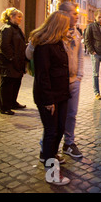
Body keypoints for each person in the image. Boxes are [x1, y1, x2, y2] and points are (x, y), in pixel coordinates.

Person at [29, 11, 71, 186]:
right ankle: (52, 172)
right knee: (51, 132)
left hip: (61, 93)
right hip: (49, 96)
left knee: (60, 128)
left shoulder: (58, 42)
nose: (69, 29)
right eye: (66, 25)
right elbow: (42, 75)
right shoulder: (44, 45)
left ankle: (50, 155)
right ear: (59, 26)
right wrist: (48, 100)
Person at [58, 2, 84, 158]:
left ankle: (68, 143)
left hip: (74, 81)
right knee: (55, 117)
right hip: (59, 83)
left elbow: (80, 55)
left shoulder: (76, 34)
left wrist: (79, 76)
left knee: (72, 114)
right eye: (74, 13)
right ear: (64, 14)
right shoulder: (55, 33)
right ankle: (48, 148)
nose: (77, 15)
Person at [0, 8, 27, 115]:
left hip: (17, 61)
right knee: (7, 83)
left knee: (16, 81)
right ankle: (4, 107)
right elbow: (4, 46)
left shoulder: (17, 28)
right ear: (11, 17)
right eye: (18, 16)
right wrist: (12, 58)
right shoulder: (6, 29)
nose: (20, 19)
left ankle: (12, 102)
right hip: (7, 62)